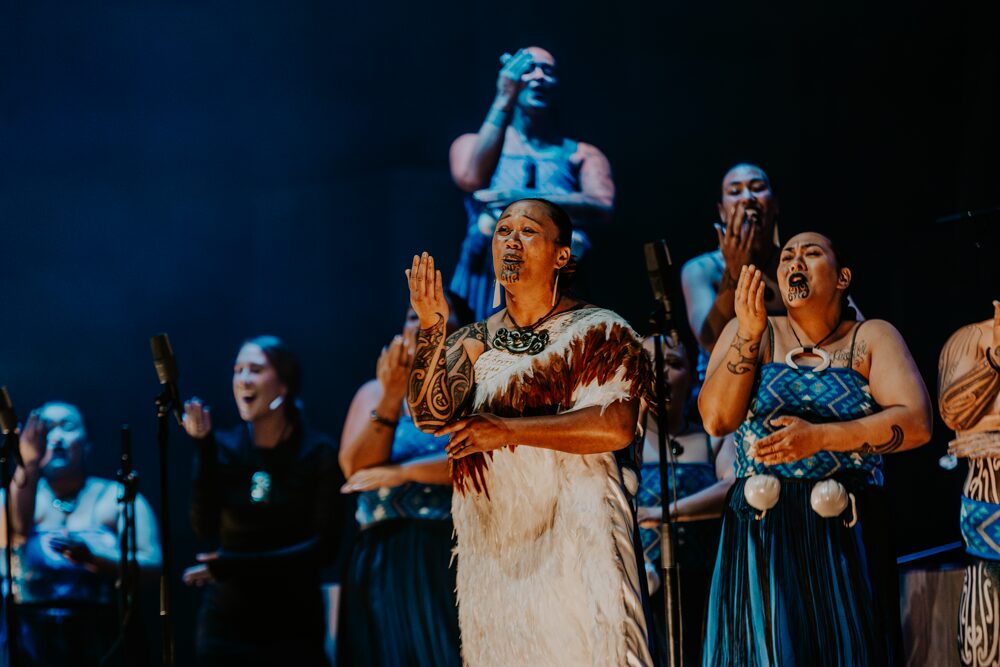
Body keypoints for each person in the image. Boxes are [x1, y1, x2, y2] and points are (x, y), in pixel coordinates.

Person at [405, 198, 654, 666]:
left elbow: (616, 427)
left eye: (527, 231)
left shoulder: (599, 328)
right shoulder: (473, 340)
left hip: (576, 532)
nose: (511, 241)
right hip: (494, 541)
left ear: (562, 255)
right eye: (503, 231)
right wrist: (433, 326)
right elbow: (428, 415)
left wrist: (506, 429)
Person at [698, 232, 932, 665]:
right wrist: (747, 333)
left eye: (811, 253)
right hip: (764, 530)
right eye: (786, 256)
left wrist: (821, 437)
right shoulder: (754, 332)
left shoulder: (870, 337)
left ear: (842, 278)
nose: (795, 262)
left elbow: (917, 423)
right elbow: (716, 419)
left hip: (845, 526)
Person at [180, 336, 344, 667]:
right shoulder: (223, 447)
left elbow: (324, 549)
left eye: (255, 370)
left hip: (292, 625)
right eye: (238, 370)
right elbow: (203, 526)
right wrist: (203, 447)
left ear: (284, 385)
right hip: (226, 625)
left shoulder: (317, 452)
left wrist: (235, 564)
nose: (243, 379)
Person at [336, 304, 461, 667]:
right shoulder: (374, 391)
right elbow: (355, 469)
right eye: (412, 315)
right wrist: (391, 397)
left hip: (446, 547)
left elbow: (482, 460)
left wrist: (402, 473)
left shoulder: (472, 390)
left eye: (437, 312)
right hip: (381, 552)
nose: (422, 321)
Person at [449, 46, 615, 320]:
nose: (538, 76)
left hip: (553, 288)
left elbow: (602, 204)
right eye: (528, 69)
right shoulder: (471, 144)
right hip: (487, 283)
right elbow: (470, 178)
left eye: (547, 71)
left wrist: (526, 201)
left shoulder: (581, 154)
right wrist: (504, 96)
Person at [1, 401, 161, 666]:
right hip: (30, 641)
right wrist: (27, 463)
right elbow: (17, 532)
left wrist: (94, 558)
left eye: (67, 427)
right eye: (46, 430)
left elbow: (154, 566)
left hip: (101, 639)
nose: (56, 438)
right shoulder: (14, 497)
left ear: (87, 442)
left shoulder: (116, 497)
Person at [636, 336, 736, 667]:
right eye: (650, 363)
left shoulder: (713, 438)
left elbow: (733, 488)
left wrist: (662, 513)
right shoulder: (623, 446)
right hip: (643, 592)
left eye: (674, 364)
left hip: (705, 589)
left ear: (694, 377)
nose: (660, 372)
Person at [681, 163, 785, 382]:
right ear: (722, 212)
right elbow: (710, 341)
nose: (747, 198)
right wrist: (734, 271)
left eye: (757, 188)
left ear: (775, 204)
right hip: (723, 386)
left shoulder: (793, 265)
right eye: (735, 191)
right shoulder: (701, 269)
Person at [938, 300, 1000, 667]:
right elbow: (954, 414)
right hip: (987, 520)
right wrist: (993, 362)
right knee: (984, 644)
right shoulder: (970, 339)